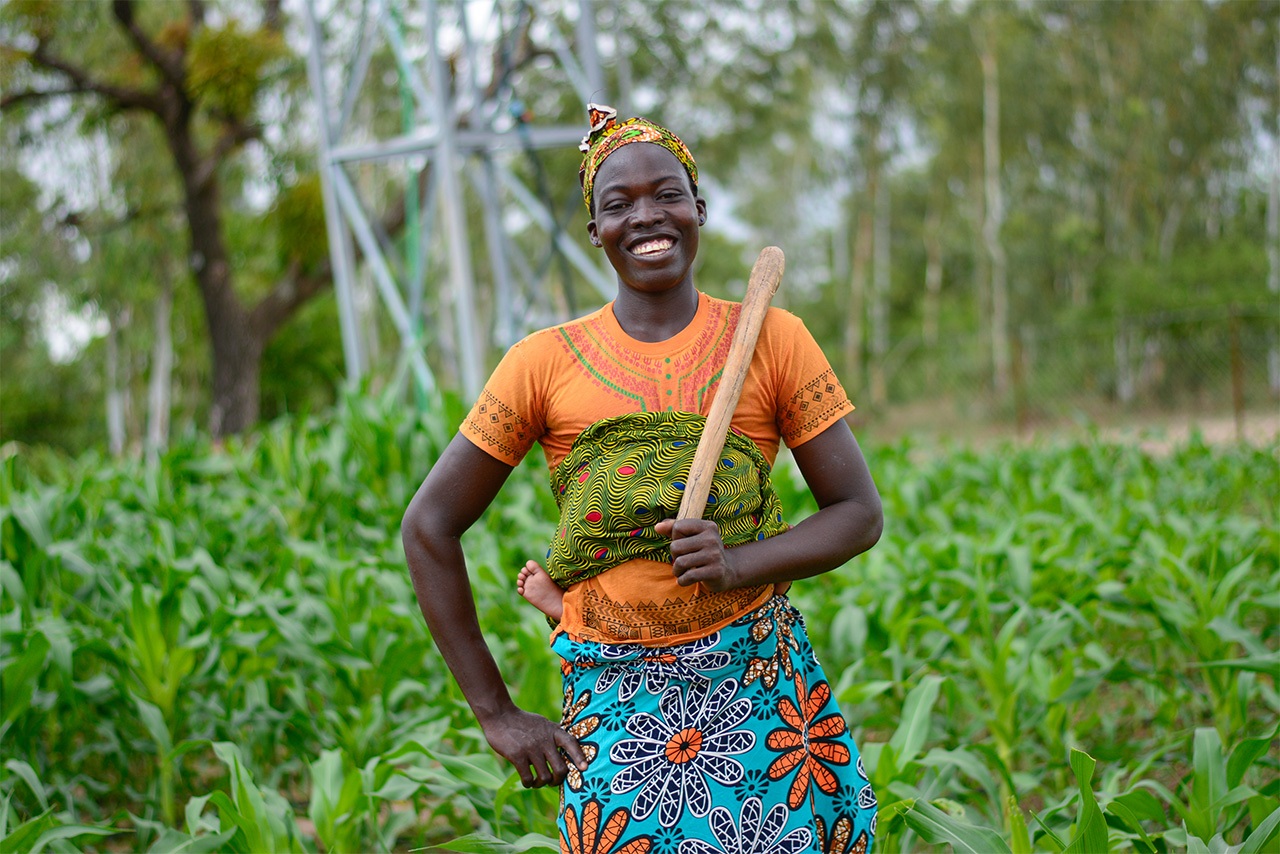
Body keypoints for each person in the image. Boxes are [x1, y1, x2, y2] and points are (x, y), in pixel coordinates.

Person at [402, 104, 883, 852]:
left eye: (666, 194)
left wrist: (737, 564)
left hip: (757, 688)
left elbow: (857, 513)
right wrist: (495, 713)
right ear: (595, 231)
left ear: (699, 208)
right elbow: (428, 527)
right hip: (615, 704)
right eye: (616, 204)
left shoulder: (773, 339)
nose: (646, 217)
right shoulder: (543, 362)